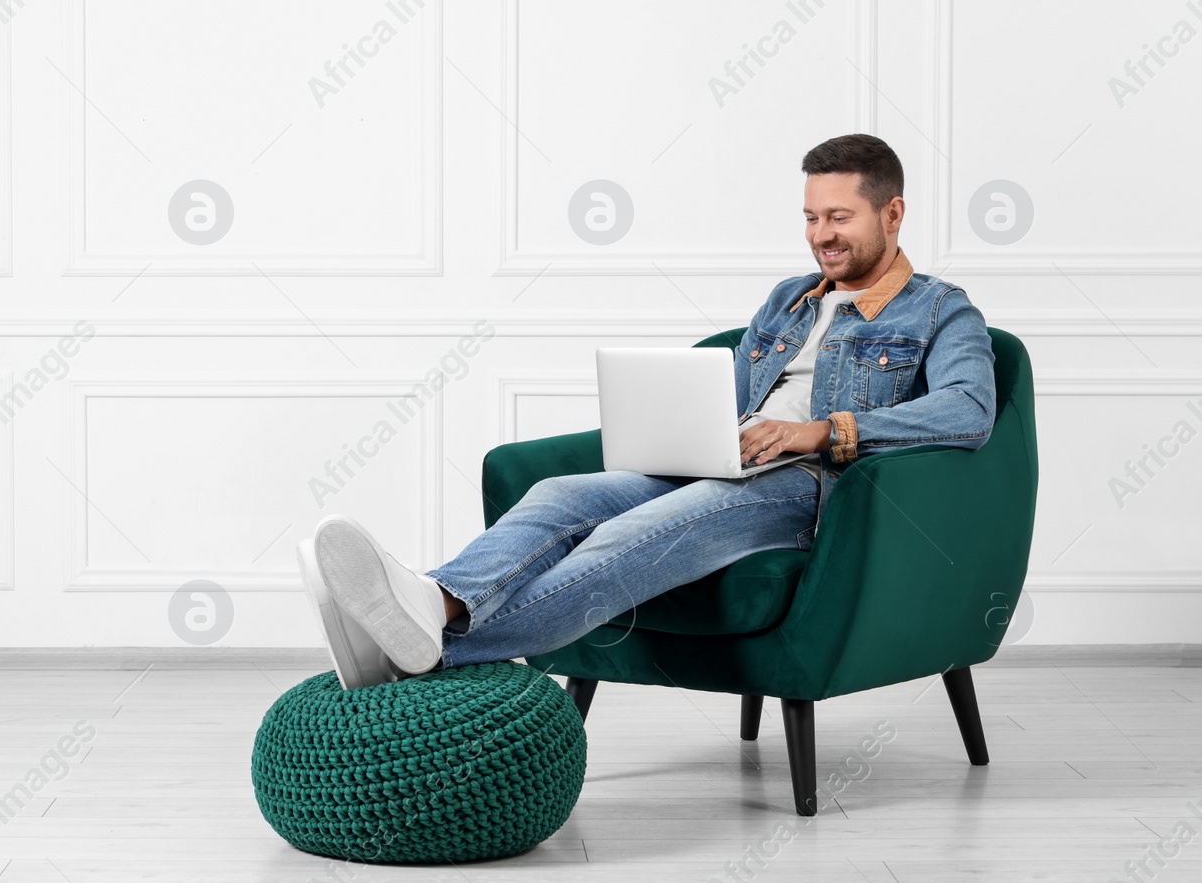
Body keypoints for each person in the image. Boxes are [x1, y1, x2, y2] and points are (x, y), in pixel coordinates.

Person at [297, 134, 998, 689]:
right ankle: (431, 602)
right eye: (812, 217)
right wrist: (691, 432)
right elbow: (735, 396)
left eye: (840, 217)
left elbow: (968, 411)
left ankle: (425, 650)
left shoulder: (939, 309)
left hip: (812, 487)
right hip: (729, 461)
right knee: (559, 494)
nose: (822, 235)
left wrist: (826, 430)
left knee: (628, 538)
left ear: (893, 213)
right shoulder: (791, 296)